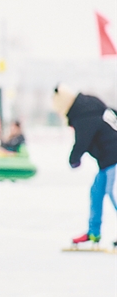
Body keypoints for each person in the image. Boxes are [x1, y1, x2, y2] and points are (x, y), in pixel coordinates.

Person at [52, 84, 117, 249]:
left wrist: (74, 159)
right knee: (96, 192)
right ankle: (93, 232)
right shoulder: (89, 108)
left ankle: (94, 231)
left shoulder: (83, 115)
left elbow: (82, 141)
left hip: (113, 158)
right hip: (107, 161)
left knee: (113, 193)